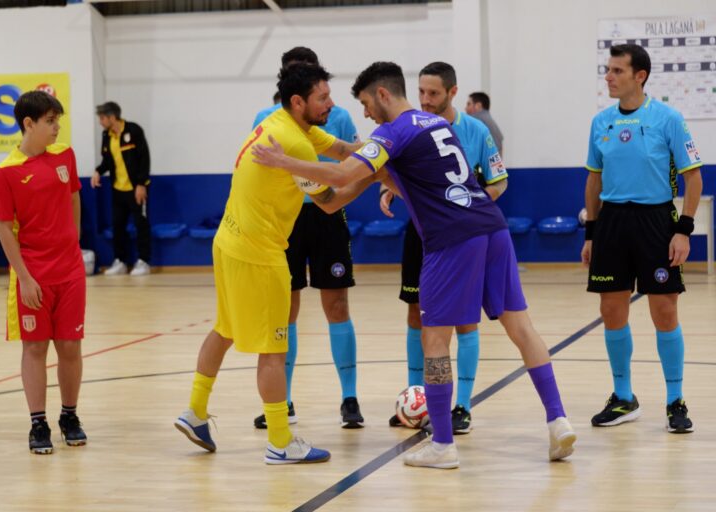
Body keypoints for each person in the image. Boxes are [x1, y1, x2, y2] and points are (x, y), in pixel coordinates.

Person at [252, 61, 576, 469]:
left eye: (366, 104)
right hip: (492, 227)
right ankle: (558, 421)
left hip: (451, 238)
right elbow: (336, 198)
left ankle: (442, 444)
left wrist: (286, 163)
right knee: (522, 328)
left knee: (435, 341)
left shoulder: (394, 131)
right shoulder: (436, 124)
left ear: (383, 94)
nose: (366, 114)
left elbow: (342, 174)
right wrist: (324, 181)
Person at [174, 63, 376, 464]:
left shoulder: (282, 124)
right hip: (258, 254)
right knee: (273, 349)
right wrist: (374, 176)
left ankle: (194, 411)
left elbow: (341, 150)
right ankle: (280, 442)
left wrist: (384, 150)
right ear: (299, 101)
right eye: (323, 97)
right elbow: (330, 200)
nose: (331, 104)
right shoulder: (294, 144)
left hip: (228, 242)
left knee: (225, 329)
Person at [380, 62, 508, 434]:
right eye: (421, 91)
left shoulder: (476, 131)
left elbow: (499, 181)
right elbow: (394, 172)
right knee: (416, 312)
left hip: (463, 234)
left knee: (465, 318)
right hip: (422, 231)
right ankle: (416, 399)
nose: (425, 99)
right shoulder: (410, 127)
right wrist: (388, 189)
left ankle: (462, 405)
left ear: (453, 92)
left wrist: (470, 206)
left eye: (433, 93)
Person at [582, 44, 702, 434]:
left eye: (617, 71)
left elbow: (694, 178)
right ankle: (623, 397)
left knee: (664, 311)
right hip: (612, 222)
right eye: (608, 70)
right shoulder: (600, 122)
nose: (608, 77)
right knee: (611, 309)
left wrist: (683, 230)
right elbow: (594, 181)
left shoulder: (668, 119)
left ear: (640, 76)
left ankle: (675, 400)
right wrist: (591, 234)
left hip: (656, 222)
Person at [252, 46, 364, 429]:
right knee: (285, 309)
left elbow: (352, 159)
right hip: (284, 220)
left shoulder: (338, 116)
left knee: (337, 305)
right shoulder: (266, 120)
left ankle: (349, 398)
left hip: (326, 215)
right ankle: (283, 400)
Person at [0, 90, 87, 454]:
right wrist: (25, 277)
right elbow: (4, 228)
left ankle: (69, 416)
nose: (56, 127)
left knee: (70, 346)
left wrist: (74, 241)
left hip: (70, 270)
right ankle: (38, 423)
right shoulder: (7, 171)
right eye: (50, 121)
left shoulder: (65, 155)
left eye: (57, 120)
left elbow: (74, 196)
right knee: (35, 347)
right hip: (33, 274)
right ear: (28, 124)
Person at [91, 101, 152, 276]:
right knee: (118, 227)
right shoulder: (106, 135)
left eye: (102, 118)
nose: (100, 122)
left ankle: (144, 261)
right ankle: (120, 261)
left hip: (136, 189)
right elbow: (107, 161)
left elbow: (144, 158)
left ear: (112, 117)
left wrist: (141, 184)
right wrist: (98, 171)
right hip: (117, 189)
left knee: (141, 225)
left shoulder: (133, 130)